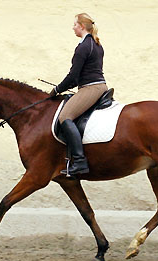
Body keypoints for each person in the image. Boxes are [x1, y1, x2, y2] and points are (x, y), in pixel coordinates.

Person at [50, 13, 108, 176]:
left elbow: (73, 76)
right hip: (98, 86)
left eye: (75, 24)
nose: (73, 27)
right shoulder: (96, 44)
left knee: (65, 116)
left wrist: (57, 90)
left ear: (82, 27)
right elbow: (81, 75)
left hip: (91, 88)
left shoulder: (83, 46)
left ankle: (80, 161)